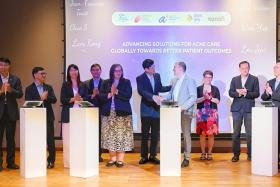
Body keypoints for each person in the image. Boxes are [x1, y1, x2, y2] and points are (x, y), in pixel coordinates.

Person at [136, 59, 171, 165]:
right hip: (146, 110)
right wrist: (153, 97)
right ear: (146, 69)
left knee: (156, 134)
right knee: (145, 135)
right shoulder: (140, 78)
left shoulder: (157, 76)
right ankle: (144, 156)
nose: (154, 69)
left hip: (156, 110)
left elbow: (160, 88)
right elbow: (141, 91)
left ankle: (153, 155)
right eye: (152, 67)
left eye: (154, 66)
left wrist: (171, 87)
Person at [100, 64, 134, 167]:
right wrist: (110, 94)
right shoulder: (106, 82)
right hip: (109, 113)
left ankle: (120, 159)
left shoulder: (126, 82)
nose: (118, 72)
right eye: (116, 71)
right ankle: (112, 158)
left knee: (121, 136)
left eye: (120, 70)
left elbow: (128, 96)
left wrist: (117, 91)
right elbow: (101, 96)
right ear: (112, 72)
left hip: (122, 113)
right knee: (110, 136)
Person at [165, 62, 197, 167]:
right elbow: (171, 95)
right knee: (173, 133)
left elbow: (193, 97)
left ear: (180, 68)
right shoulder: (174, 80)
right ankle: (173, 156)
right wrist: (162, 99)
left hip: (185, 111)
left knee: (186, 134)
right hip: (173, 111)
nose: (173, 70)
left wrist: (183, 107)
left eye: (174, 68)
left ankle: (186, 158)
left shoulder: (190, 80)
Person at [25, 67, 57, 169]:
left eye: (44, 73)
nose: (44, 75)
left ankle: (51, 161)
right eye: (42, 73)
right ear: (35, 75)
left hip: (48, 117)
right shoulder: (29, 89)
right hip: (35, 119)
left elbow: (54, 100)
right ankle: (37, 160)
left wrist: (47, 97)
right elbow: (28, 103)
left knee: (50, 140)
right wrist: (40, 99)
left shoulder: (48, 87)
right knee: (36, 140)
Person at [229, 61, 259, 162]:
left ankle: (250, 154)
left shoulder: (254, 79)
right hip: (237, 109)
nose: (244, 70)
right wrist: (238, 93)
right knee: (236, 133)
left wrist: (246, 93)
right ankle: (236, 155)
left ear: (249, 68)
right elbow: (230, 92)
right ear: (239, 69)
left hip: (248, 109)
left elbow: (257, 93)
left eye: (246, 68)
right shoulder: (234, 79)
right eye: (242, 68)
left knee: (249, 133)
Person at [60, 64, 88, 168]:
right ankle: (69, 163)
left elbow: (86, 97)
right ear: (68, 72)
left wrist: (81, 99)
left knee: (79, 139)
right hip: (68, 115)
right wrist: (73, 99)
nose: (73, 72)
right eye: (71, 70)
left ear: (78, 71)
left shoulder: (83, 84)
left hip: (80, 114)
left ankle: (79, 161)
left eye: (75, 69)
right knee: (68, 140)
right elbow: (62, 99)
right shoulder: (65, 84)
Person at [0, 57, 23, 171]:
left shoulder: (15, 79)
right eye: (1, 65)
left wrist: (11, 90)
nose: (3, 67)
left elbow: (20, 94)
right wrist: (1, 91)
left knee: (10, 139)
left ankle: (11, 162)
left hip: (11, 113)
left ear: (9, 66)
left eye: (5, 65)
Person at [196, 70, 220, 161]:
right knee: (202, 134)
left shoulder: (215, 89)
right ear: (203, 78)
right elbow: (195, 101)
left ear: (212, 78)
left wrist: (210, 98)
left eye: (210, 77)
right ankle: (203, 153)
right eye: (206, 77)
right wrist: (203, 97)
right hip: (201, 113)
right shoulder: (198, 88)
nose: (208, 79)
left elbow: (218, 101)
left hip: (212, 113)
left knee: (211, 134)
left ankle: (209, 153)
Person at [261, 61, 280, 168]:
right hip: (271, 114)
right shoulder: (271, 81)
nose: (274, 69)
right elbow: (264, 98)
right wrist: (267, 92)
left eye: (277, 67)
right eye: (274, 67)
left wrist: (272, 93)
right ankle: (274, 160)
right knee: (273, 137)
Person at [84, 64, 104, 162]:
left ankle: (98, 155)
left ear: (101, 71)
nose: (96, 71)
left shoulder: (105, 83)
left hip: (101, 111)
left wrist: (99, 94)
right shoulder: (86, 83)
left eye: (97, 70)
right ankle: (90, 153)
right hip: (89, 111)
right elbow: (83, 97)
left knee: (99, 134)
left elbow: (106, 97)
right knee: (89, 133)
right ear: (91, 72)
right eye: (93, 70)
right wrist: (92, 95)